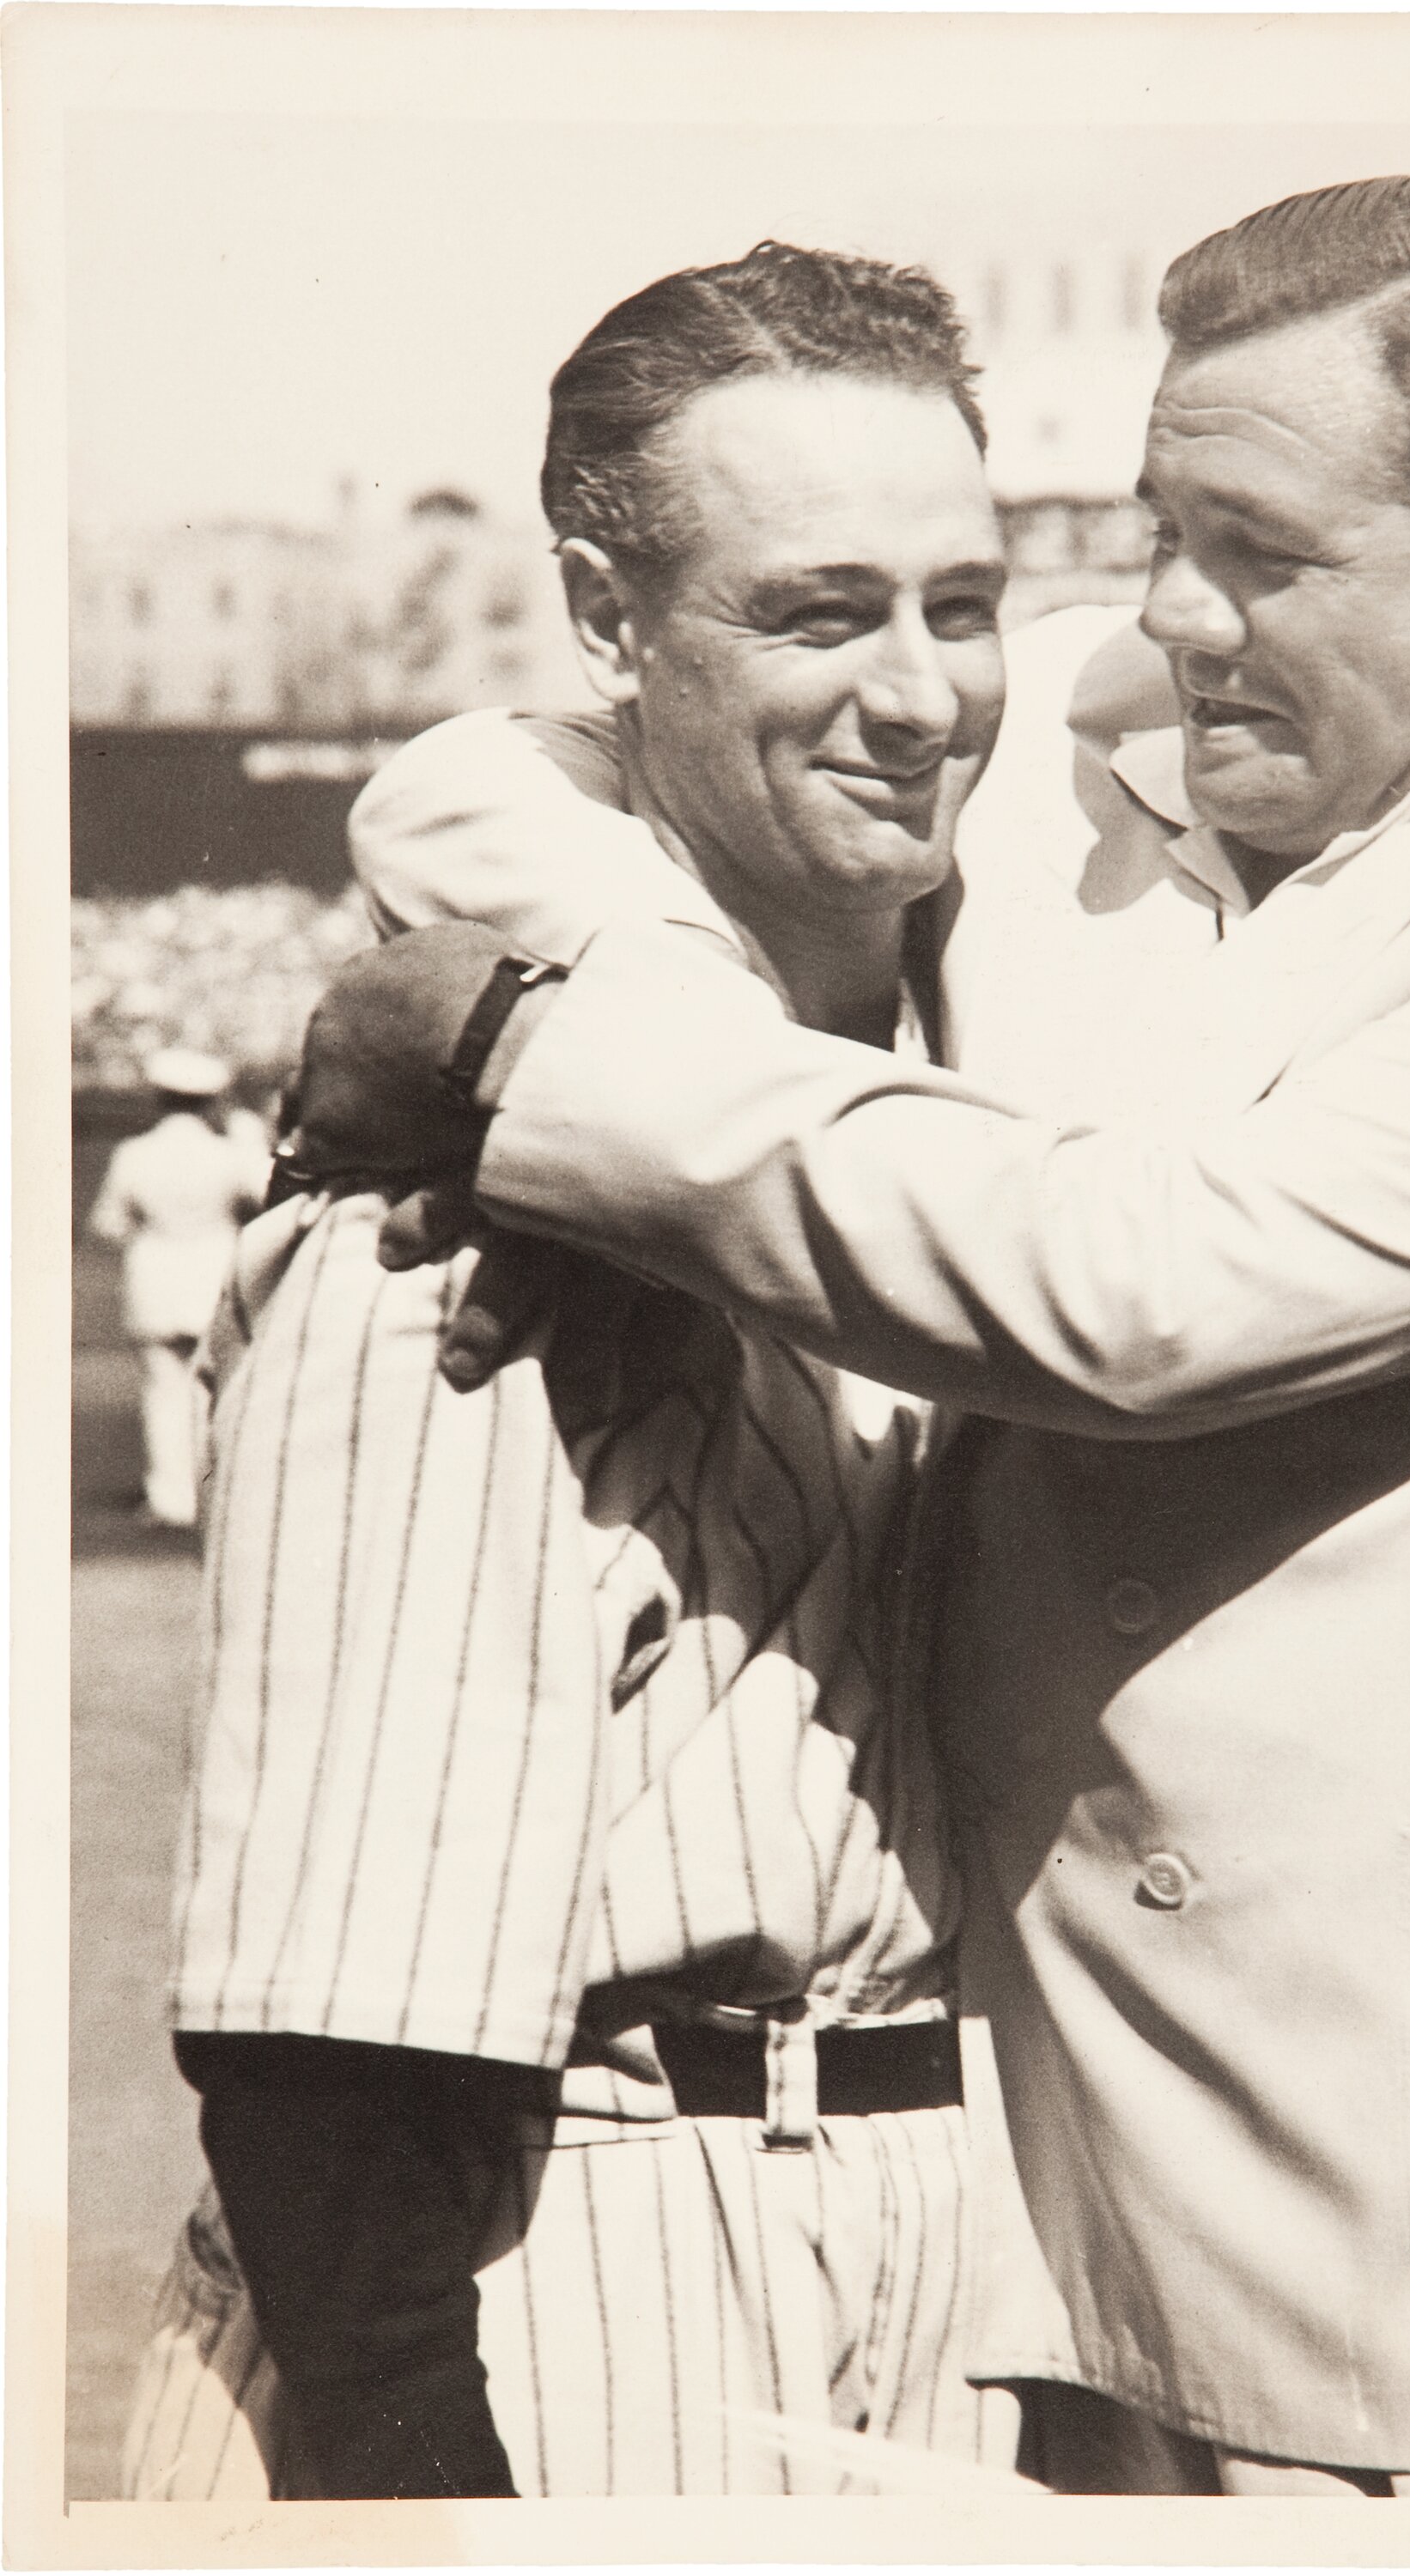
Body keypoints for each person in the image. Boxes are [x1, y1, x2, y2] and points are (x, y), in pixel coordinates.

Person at [299, 172, 1410, 2500]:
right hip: (1076, 2285)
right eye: (1157, 529)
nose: (1163, 616)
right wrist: (592, 1015)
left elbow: (1146, 1291)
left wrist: (529, 1074)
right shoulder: (1106, 746)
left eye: (1256, 552)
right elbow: (487, 779)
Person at [120, 245, 1029, 2501]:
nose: (919, 694)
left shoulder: (975, 1106)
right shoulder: (448, 1232)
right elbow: (323, 2043)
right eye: (820, 615)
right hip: (577, 2264)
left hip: (938, 2268)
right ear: (610, 624)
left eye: (960, 602)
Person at [88, 1048, 270, 1528]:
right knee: (215, 1387)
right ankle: (214, 1490)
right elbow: (268, 1197)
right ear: (210, 1100)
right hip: (214, 1270)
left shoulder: (135, 1152)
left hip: (157, 1273)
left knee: (164, 1389)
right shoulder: (228, 1152)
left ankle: (172, 1498)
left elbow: (108, 1224)